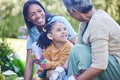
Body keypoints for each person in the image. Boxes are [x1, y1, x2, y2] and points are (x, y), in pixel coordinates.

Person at [62, 0, 120, 80]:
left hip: (116, 67)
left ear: (75, 12)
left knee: (78, 51)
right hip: (107, 64)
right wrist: (62, 69)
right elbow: (77, 47)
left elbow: (100, 65)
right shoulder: (85, 21)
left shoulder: (98, 24)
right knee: (77, 50)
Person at [22, 0, 77, 80]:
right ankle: (40, 75)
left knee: (53, 73)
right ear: (28, 18)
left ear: (44, 10)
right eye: (32, 14)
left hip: (65, 64)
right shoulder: (32, 34)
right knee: (35, 45)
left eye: (39, 11)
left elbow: (76, 42)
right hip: (48, 67)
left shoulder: (58, 21)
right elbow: (29, 63)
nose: (38, 15)